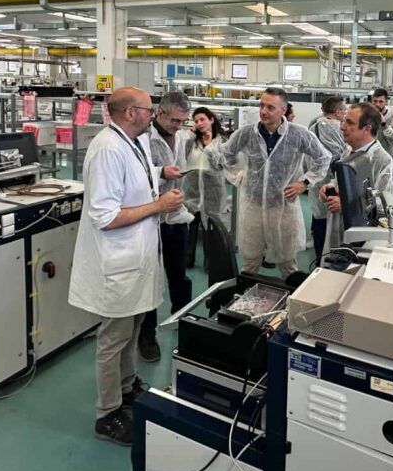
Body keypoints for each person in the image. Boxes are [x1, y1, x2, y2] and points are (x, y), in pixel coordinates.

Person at [68, 86, 184, 446]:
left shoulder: (135, 141)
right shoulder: (106, 149)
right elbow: (105, 217)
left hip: (137, 257)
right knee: (113, 339)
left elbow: (137, 173)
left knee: (132, 329)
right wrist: (159, 206)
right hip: (117, 260)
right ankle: (107, 414)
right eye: (150, 110)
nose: (154, 115)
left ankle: (127, 386)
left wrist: (161, 171)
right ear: (131, 113)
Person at [220, 87, 332, 279]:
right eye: (262, 105)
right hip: (253, 207)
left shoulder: (298, 134)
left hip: (283, 208)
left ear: (283, 110)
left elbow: (323, 158)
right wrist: (239, 176)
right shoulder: (246, 133)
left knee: (288, 263)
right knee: (250, 262)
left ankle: (291, 296)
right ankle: (246, 294)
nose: (264, 111)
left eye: (270, 107)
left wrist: (304, 182)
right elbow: (226, 154)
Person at [137, 91, 194, 363]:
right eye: (174, 120)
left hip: (176, 216)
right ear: (159, 113)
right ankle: (146, 336)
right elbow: (136, 176)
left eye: (182, 121)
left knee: (178, 273)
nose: (178, 126)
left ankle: (182, 316)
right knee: (150, 279)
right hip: (151, 218)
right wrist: (161, 173)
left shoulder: (180, 136)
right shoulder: (143, 138)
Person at [323, 103, 393, 251]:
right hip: (342, 231)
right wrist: (331, 187)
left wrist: (347, 207)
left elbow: (389, 208)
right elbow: (344, 183)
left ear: (366, 129)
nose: (342, 127)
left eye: (349, 123)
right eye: (344, 121)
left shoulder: (382, 162)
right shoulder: (349, 151)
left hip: (366, 240)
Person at [183, 107, 236, 270]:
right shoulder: (192, 141)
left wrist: (209, 146)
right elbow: (182, 157)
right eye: (196, 121)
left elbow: (222, 165)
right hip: (192, 192)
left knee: (211, 229)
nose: (199, 123)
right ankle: (187, 259)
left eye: (202, 119)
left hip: (212, 192)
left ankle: (210, 263)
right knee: (190, 226)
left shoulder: (222, 141)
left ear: (211, 119)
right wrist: (191, 135)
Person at [307, 96, 349, 263]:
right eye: (344, 110)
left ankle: (319, 259)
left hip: (315, 181)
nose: (345, 114)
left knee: (319, 219)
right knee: (331, 225)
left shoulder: (313, 127)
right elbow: (344, 156)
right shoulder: (338, 128)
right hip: (332, 183)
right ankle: (327, 261)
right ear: (337, 112)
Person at [372, 88, 393, 153]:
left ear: (386, 101)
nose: (377, 104)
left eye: (381, 101)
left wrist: (384, 125)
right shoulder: (367, 115)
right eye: (375, 101)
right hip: (371, 155)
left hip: (387, 154)